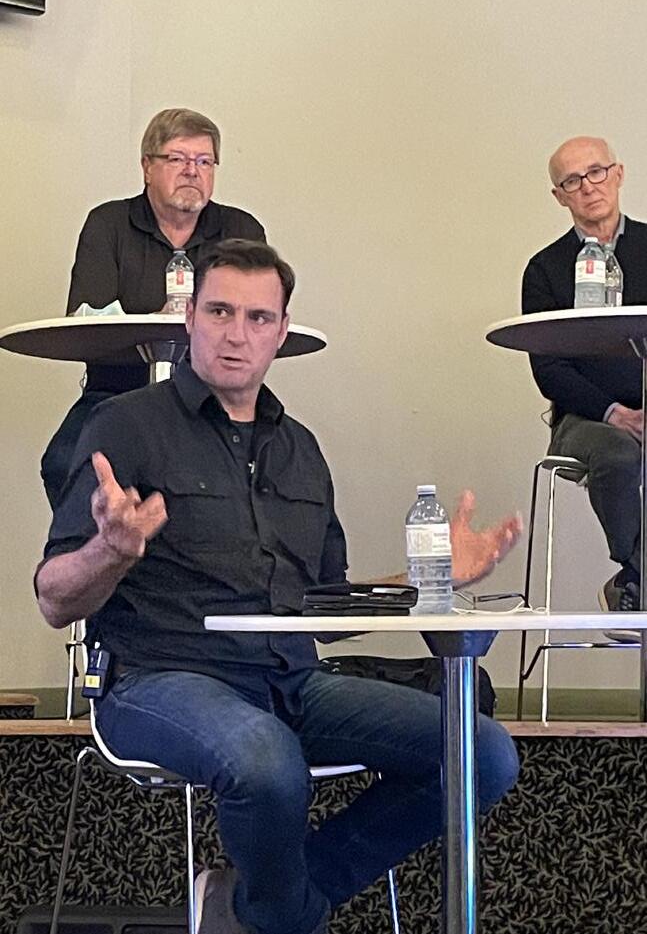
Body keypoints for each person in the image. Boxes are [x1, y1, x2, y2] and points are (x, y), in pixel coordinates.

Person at [36, 240, 521, 934]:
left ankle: (264, 909)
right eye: (219, 311)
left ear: (281, 332)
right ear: (189, 319)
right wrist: (109, 551)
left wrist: (430, 576)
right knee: (268, 761)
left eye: (258, 317)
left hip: (290, 682)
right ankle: (280, 915)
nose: (236, 333)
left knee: (483, 753)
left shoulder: (300, 448)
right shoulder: (126, 425)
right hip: (156, 681)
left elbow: (327, 609)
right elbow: (54, 598)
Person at [41, 107, 266, 509]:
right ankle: (102, 547)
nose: (192, 171)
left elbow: (257, 319)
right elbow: (88, 325)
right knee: (62, 461)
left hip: (215, 394)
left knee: (258, 469)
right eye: (177, 159)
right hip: (117, 392)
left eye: (204, 161)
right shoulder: (109, 224)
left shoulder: (241, 232)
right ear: (147, 167)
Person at [522, 136, 647, 611]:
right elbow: (548, 369)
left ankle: (634, 584)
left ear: (618, 173)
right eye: (572, 181)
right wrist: (617, 414)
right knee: (618, 452)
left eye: (596, 172)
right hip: (583, 422)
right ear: (560, 196)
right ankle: (638, 574)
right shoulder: (544, 269)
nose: (589, 186)